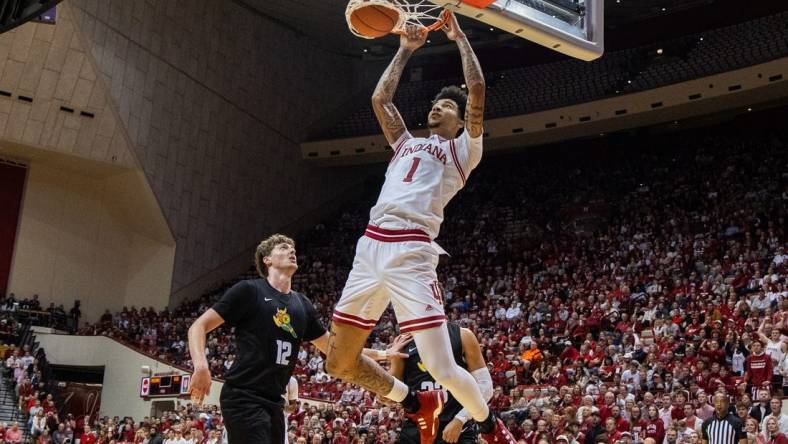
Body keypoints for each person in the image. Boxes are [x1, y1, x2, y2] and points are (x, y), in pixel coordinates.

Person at [323, 11, 514, 444]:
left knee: (445, 370)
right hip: (370, 247)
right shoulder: (407, 142)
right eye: (435, 103)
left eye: (446, 105)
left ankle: (489, 425)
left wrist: (460, 37)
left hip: (411, 250)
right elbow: (380, 101)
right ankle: (413, 402)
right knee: (338, 363)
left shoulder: (464, 150)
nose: (436, 107)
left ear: (461, 120)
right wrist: (405, 49)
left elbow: (478, 89)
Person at [188, 234, 393, 443]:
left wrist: (385, 354)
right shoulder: (249, 290)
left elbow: (336, 349)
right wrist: (201, 365)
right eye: (284, 247)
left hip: (276, 401)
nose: (292, 251)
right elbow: (198, 326)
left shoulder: (302, 304)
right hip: (243, 396)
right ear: (267, 259)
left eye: (293, 248)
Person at [388, 322, 492, 444]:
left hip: (456, 427)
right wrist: (393, 360)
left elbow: (486, 386)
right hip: (416, 427)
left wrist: (460, 419)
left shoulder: (463, 335)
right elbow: (389, 397)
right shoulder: (404, 340)